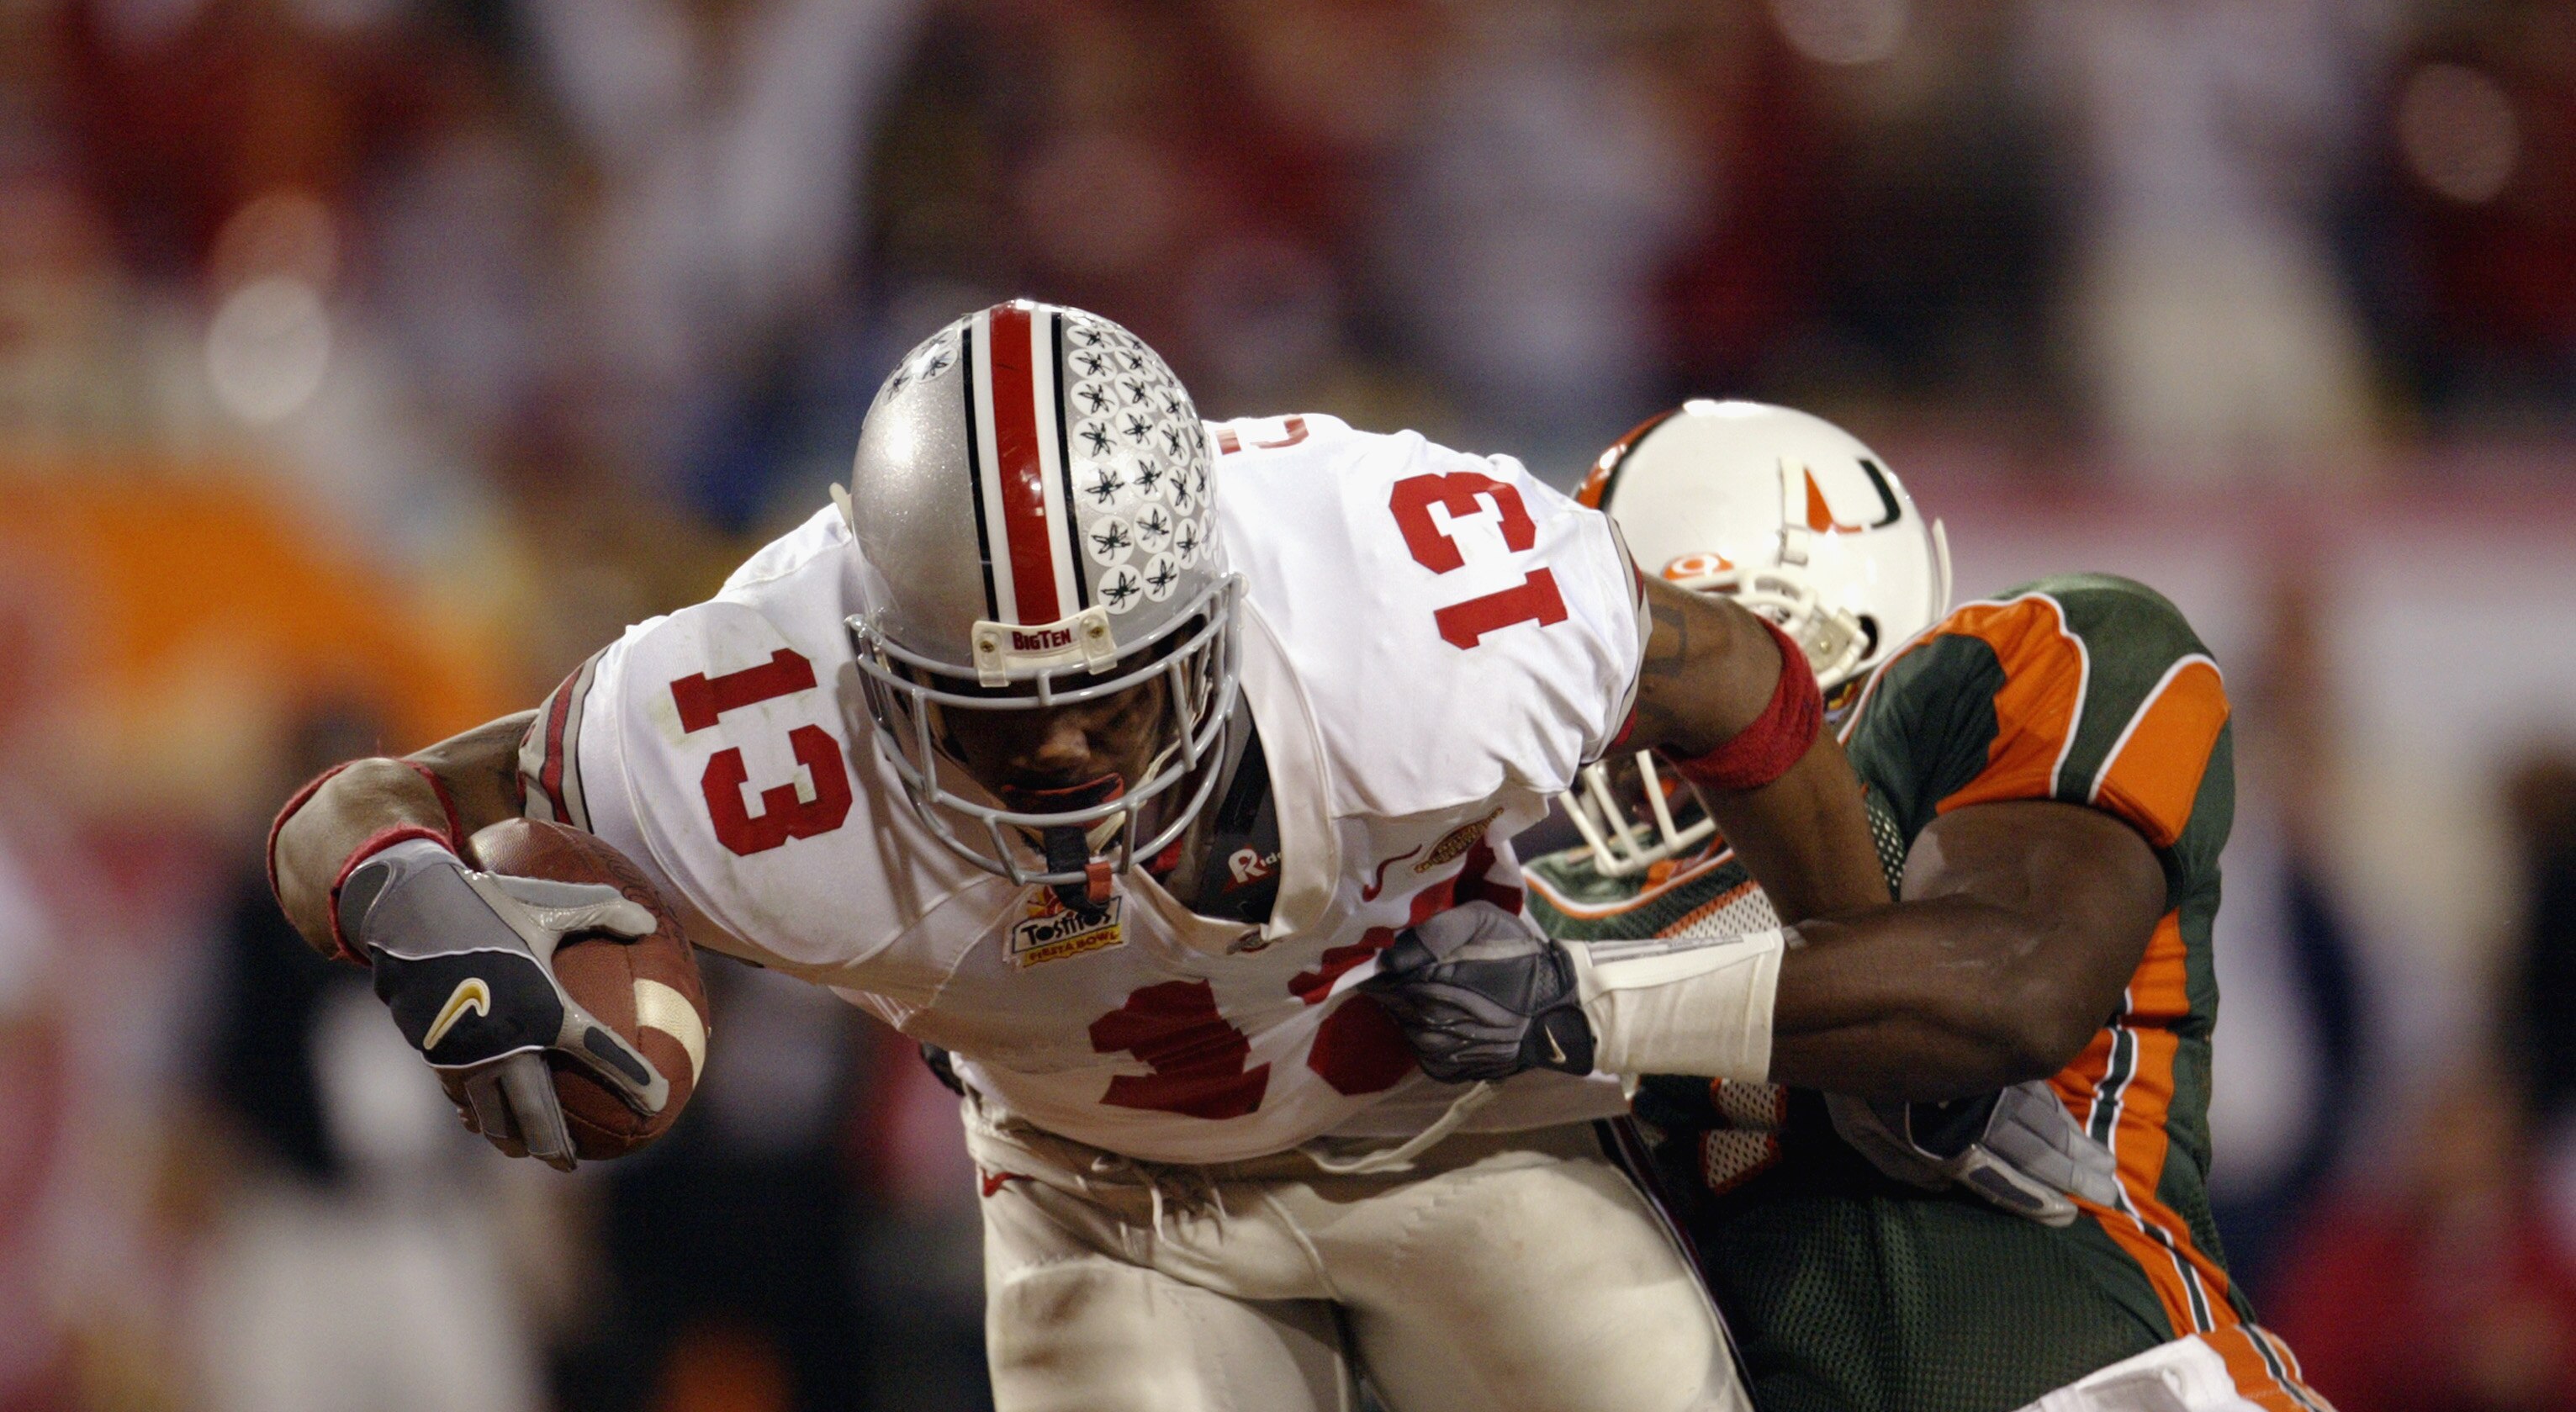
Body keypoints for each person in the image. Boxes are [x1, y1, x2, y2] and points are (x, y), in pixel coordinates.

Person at [264, 303, 1895, 1412]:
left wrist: (1858, 974)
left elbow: (1737, 676)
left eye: (1107, 698)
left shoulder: (1403, 603)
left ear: (1216, 616)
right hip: (1098, 1205)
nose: (1056, 754)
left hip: (1448, 1119)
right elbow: (369, 799)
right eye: (989, 714)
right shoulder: (747, 715)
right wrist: (417, 911)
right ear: (875, 664)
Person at [1360, 400, 2332, 1412]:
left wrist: (1584, 1004)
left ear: (1801, 616)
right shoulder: (1531, 913)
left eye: (1648, 642)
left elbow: (2015, 982)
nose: (1610, 710)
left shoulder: (2020, 666)